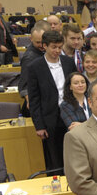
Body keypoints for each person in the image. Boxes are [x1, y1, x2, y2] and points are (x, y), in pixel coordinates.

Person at [27, 29, 77, 172]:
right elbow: (34, 98)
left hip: (70, 112)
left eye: (60, 47)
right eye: (53, 47)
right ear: (44, 46)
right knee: (54, 156)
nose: (57, 50)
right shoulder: (35, 67)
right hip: (50, 117)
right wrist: (39, 125)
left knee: (73, 152)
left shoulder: (68, 62)